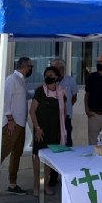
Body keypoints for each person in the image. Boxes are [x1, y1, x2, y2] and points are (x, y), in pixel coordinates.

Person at [30, 66, 66, 196]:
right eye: (46, 75)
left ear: (57, 77)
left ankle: (45, 184)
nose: (48, 77)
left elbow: (63, 111)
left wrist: (61, 130)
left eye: (51, 75)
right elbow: (32, 111)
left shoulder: (61, 92)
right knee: (38, 158)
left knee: (49, 159)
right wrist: (37, 128)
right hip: (41, 131)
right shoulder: (40, 91)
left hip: (54, 130)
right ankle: (36, 185)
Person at [0, 57, 33, 195]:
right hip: (12, 124)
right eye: (30, 66)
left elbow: (25, 96)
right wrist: (10, 120)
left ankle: (12, 184)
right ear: (25, 66)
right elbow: (4, 100)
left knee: (16, 154)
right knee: (1, 153)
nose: (31, 69)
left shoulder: (21, 80)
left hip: (21, 124)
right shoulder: (11, 79)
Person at [48, 58, 77, 187]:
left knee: (67, 145)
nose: (58, 70)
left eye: (60, 68)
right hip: (53, 120)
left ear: (64, 69)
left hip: (66, 118)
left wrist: (66, 109)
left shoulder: (70, 80)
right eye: (55, 67)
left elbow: (74, 97)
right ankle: (53, 177)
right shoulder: (50, 81)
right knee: (54, 147)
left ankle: (68, 175)